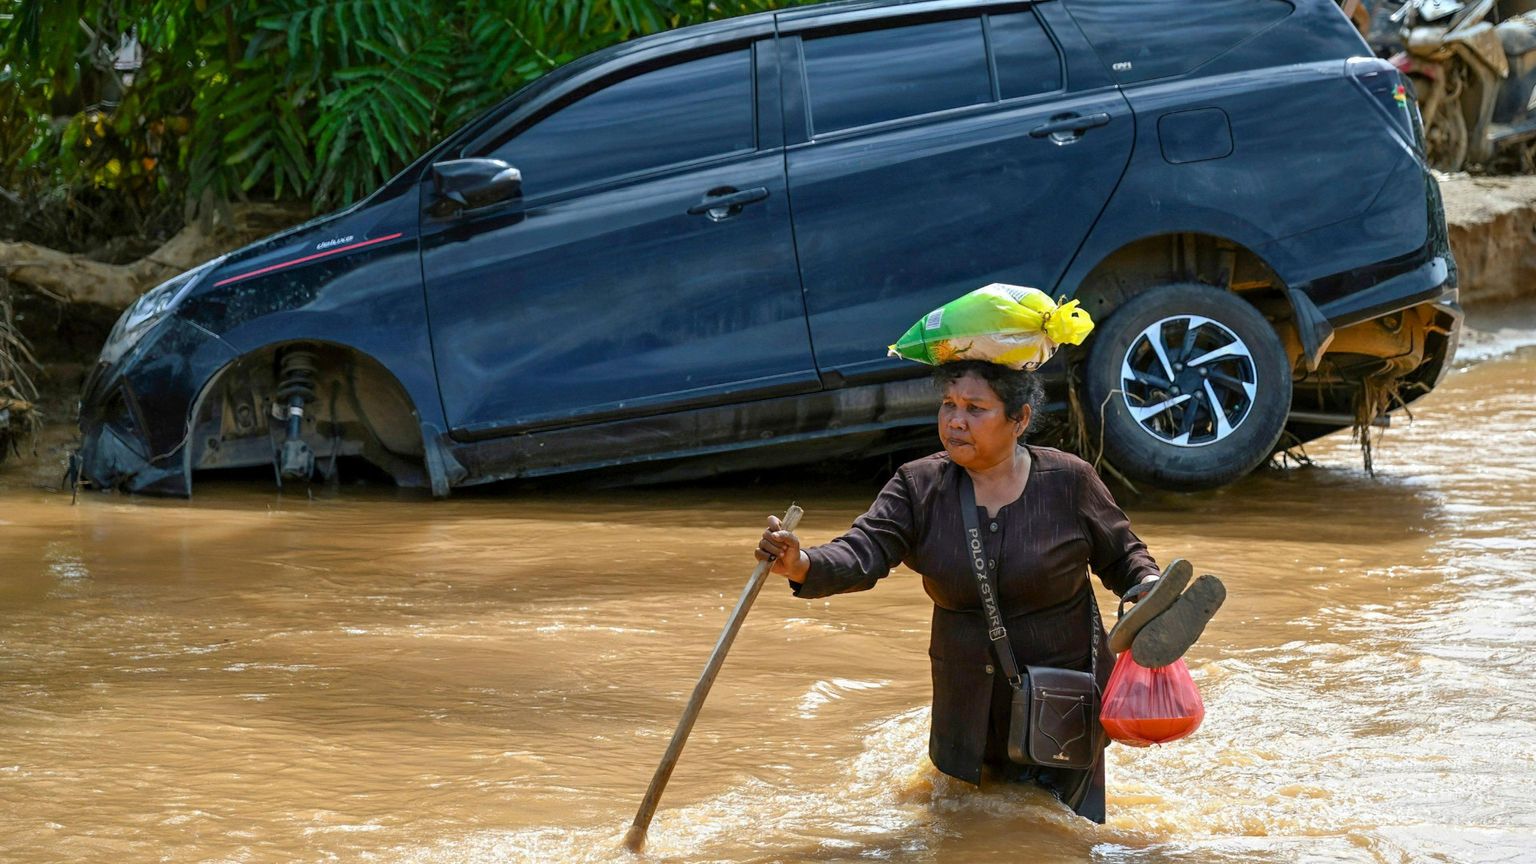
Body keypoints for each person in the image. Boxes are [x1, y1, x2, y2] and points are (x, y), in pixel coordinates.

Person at [755, 359, 1194, 823]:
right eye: (949, 404)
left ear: (1020, 419)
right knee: (964, 830)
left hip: (1062, 706)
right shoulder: (918, 485)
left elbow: (1124, 556)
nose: (955, 420)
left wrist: (1145, 588)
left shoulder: (1069, 481)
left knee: (1064, 835)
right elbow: (864, 549)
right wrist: (801, 563)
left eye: (975, 408)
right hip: (965, 710)